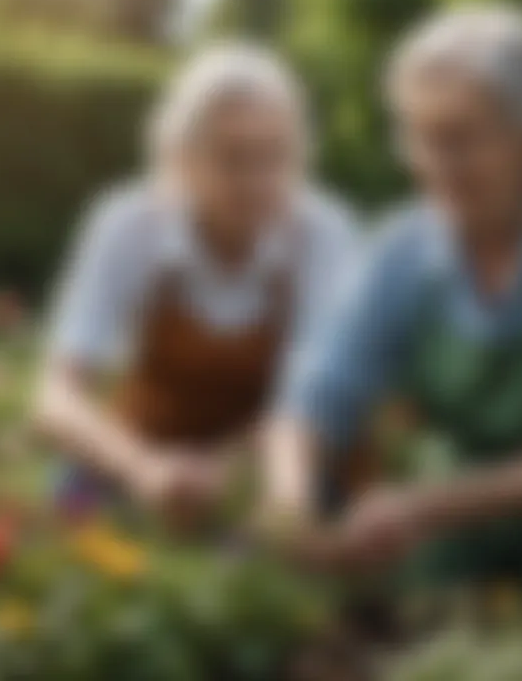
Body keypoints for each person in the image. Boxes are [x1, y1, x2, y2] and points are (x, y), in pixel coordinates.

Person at [262, 3, 522, 592]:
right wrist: (290, 504)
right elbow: (312, 399)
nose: (434, 166)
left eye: (458, 140)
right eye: (418, 139)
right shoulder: (400, 250)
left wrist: (427, 506)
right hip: (472, 520)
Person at [35, 44, 357, 523]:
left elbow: (320, 402)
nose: (256, 180)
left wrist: (226, 471)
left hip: (273, 465)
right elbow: (57, 397)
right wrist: (143, 468)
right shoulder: (126, 222)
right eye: (233, 158)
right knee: (69, 521)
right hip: (142, 455)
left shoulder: (324, 233)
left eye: (275, 156)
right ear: (180, 157)